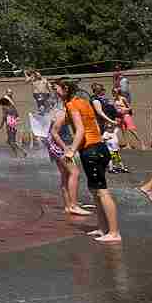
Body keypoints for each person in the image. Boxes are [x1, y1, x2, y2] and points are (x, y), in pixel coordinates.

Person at [59, 79, 120, 243]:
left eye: (56, 88)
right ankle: (102, 228)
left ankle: (114, 232)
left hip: (91, 150)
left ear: (65, 89)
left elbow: (80, 129)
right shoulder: (83, 102)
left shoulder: (72, 104)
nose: (55, 92)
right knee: (95, 191)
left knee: (102, 191)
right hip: (100, 147)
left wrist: (71, 149)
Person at [46, 83, 87, 217]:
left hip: (54, 143)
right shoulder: (64, 109)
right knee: (74, 172)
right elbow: (54, 132)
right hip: (56, 144)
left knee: (66, 174)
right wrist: (65, 148)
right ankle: (73, 205)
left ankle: (69, 206)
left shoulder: (64, 106)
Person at [0, 93, 23, 159]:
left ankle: (17, 155)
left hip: (10, 126)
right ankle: (22, 152)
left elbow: (4, 117)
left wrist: (1, 125)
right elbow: (17, 116)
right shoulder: (13, 107)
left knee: (11, 142)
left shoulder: (5, 108)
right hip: (14, 126)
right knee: (10, 141)